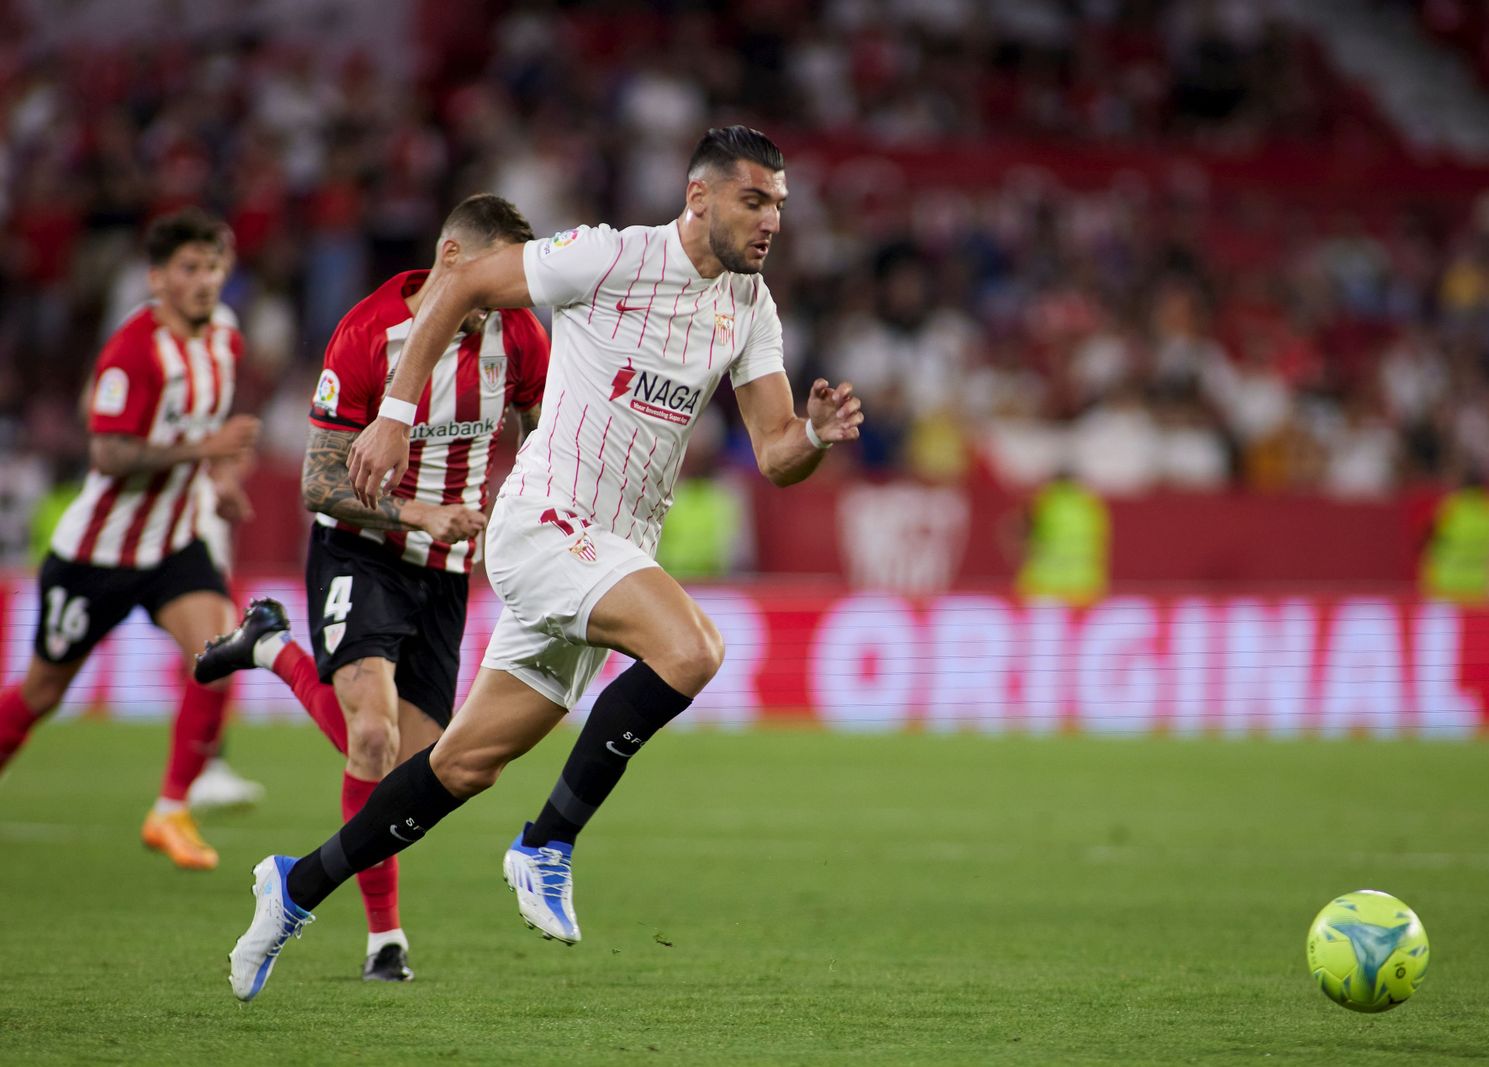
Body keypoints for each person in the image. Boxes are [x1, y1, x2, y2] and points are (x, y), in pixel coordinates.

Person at [226, 125, 863, 1001]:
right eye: (755, 201)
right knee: (694, 649)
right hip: (543, 526)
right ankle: (547, 843)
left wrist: (816, 438)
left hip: (609, 553)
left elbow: (776, 451)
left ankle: (293, 888)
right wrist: (396, 414)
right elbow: (458, 282)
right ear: (700, 197)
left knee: (458, 766)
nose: (771, 223)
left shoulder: (751, 308)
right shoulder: (606, 259)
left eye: (780, 206)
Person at [195, 194, 550, 982]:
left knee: (414, 770)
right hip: (364, 550)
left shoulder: (518, 332)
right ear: (455, 260)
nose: (513, 294)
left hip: (448, 570)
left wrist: (525, 505)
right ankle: (384, 940)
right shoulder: (365, 332)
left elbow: (539, 426)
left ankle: (271, 646)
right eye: (502, 274)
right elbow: (320, 482)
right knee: (372, 736)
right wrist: (419, 510)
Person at [0, 208, 260, 871]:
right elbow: (110, 454)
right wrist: (204, 448)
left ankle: (170, 810)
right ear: (157, 278)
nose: (206, 281)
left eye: (214, 267)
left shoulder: (225, 336)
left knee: (220, 654)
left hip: (174, 543)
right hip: (97, 555)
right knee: (41, 692)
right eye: (190, 269)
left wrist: (222, 476)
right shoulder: (134, 349)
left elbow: (216, 423)